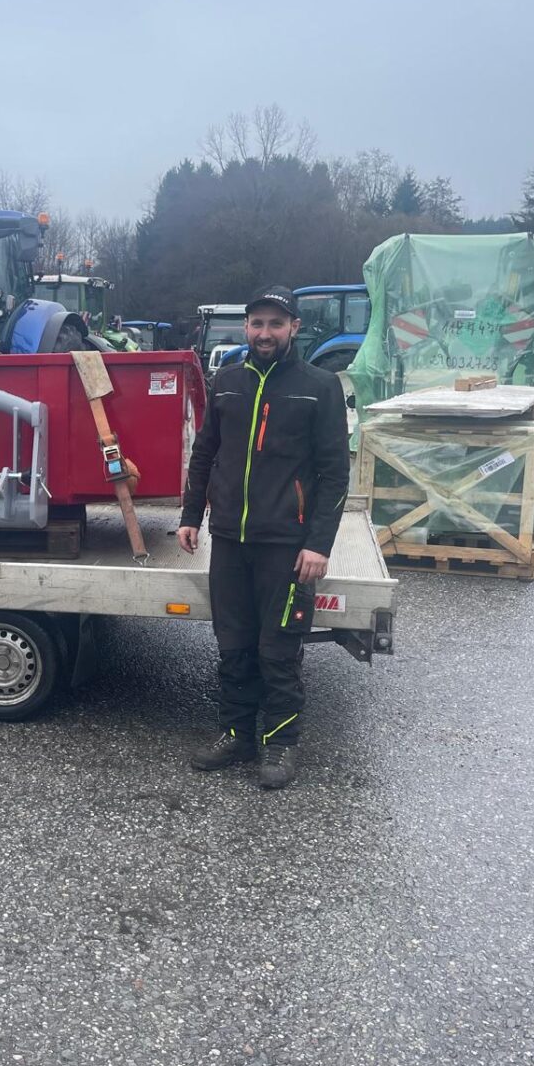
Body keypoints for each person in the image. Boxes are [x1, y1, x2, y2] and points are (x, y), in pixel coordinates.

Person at [178, 287, 350, 790]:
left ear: (294, 327)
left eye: (276, 323)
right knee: (233, 645)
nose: (265, 333)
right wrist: (191, 516)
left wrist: (318, 543)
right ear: (246, 327)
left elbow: (335, 473)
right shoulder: (227, 382)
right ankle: (236, 735)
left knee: (278, 650)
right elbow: (205, 453)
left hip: (287, 546)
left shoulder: (319, 386)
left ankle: (280, 742)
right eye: (257, 323)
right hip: (230, 540)